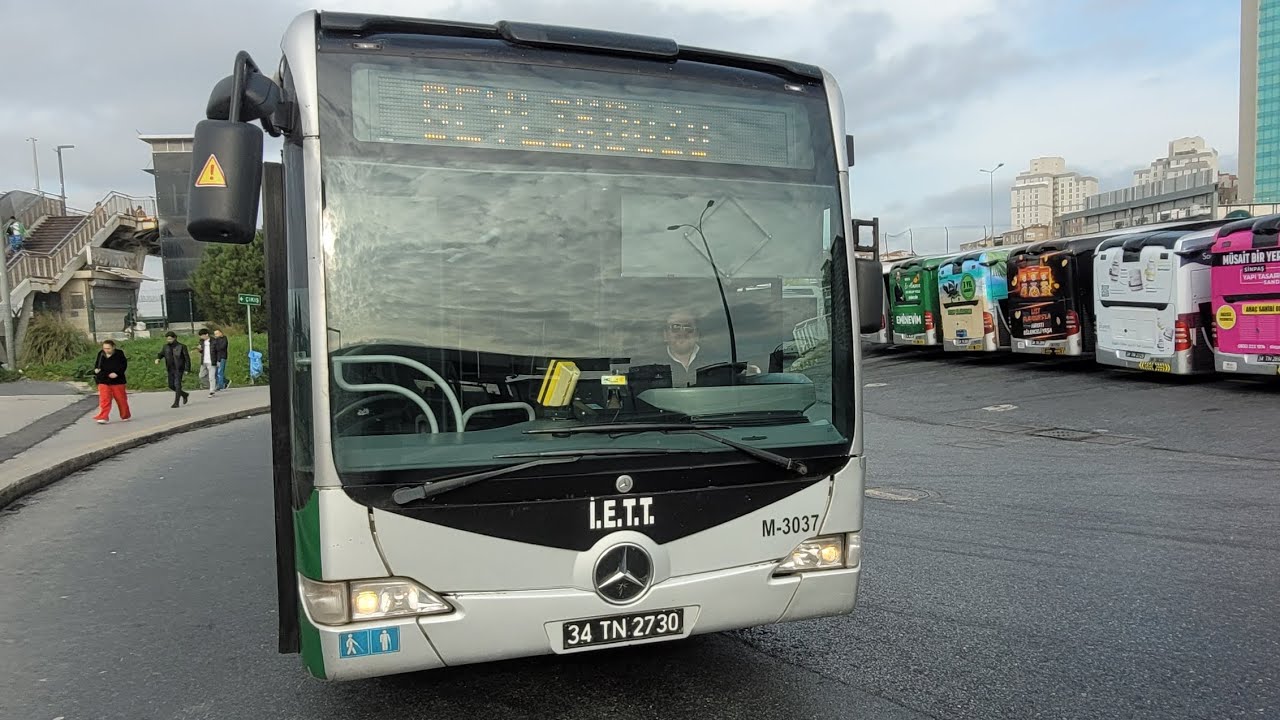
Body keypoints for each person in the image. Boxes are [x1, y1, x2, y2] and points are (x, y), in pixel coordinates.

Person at [92, 339, 131, 423]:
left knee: (121, 399)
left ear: (113, 347)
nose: (106, 350)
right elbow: (97, 364)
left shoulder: (119, 353)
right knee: (104, 399)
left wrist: (117, 373)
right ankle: (103, 416)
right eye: (105, 348)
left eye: (108, 348)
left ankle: (125, 415)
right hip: (103, 379)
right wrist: (96, 370)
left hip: (117, 381)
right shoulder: (101, 353)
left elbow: (123, 365)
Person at [154, 331, 191, 408]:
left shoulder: (182, 346)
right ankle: (184, 394)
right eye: (167, 339)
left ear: (175, 338)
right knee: (171, 385)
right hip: (170, 368)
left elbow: (187, 358)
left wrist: (187, 369)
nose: (169, 340)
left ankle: (176, 403)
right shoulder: (165, 347)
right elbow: (161, 354)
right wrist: (158, 359)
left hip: (179, 368)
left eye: (170, 339)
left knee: (177, 385)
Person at [196, 328, 217, 397]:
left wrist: (218, 360)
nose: (201, 337)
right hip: (204, 361)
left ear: (206, 334)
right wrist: (199, 350)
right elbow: (202, 351)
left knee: (211, 377)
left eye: (202, 335)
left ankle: (212, 391)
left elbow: (217, 351)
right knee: (201, 375)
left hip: (212, 361)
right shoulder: (201, 342)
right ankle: (214, 386)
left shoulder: (214, 341)